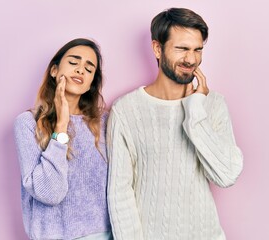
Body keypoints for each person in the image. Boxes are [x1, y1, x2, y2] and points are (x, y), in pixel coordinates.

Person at [107, 8, 243, 240]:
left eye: (198, 50)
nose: (191, 59)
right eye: (182, 49)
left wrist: (195, 109)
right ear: (157, 48)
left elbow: (226, 175)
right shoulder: (126, 110)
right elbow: (120, 193)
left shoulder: (213, 105)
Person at [14, 38, 112, 240]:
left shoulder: (106, 122)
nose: (80, 70)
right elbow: (50, 193)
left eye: (89, 68)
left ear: (92, 82)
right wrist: (61, 126)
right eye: (74, 62)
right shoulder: (27, 124)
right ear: (54, 71)